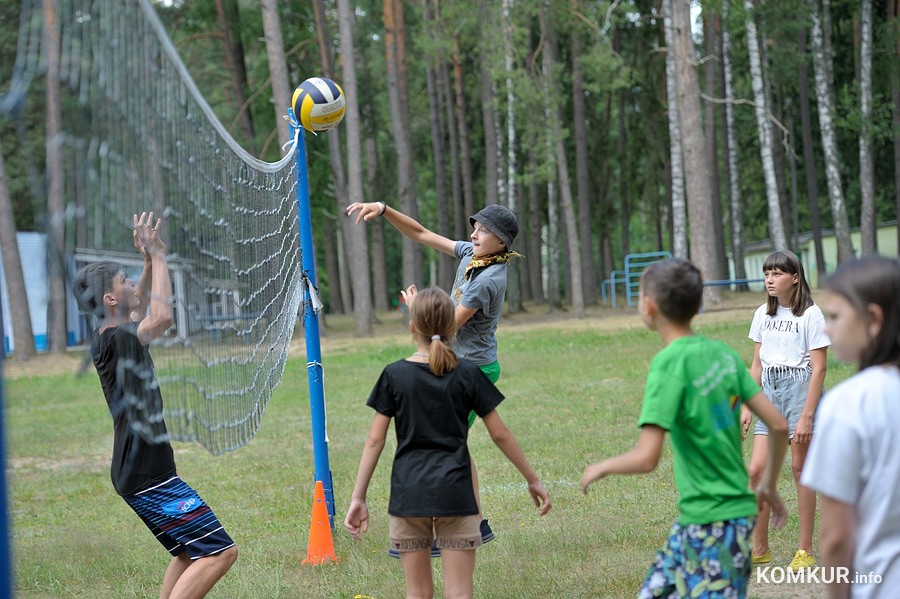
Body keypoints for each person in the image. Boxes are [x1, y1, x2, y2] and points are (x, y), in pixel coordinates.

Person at [581, 258, 789, 598]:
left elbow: (647, 458)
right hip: (707, 523)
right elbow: (778, 425)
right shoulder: (723, 354)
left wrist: (601, 467)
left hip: (714, 524)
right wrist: (767, 486)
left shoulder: (667, 363)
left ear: (648, 305)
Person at [344, 285, 551, 599]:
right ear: (452, 326)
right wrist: (532, 480)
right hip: (456, 495)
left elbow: (375, 441)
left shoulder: (394, 375)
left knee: (418, 594)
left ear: (412, 327)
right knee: (459, 593)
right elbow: (500, 434)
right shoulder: (468, 373)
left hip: (409, 497)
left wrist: (358, 498)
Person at [73, 212, 237, 599]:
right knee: (219, 552)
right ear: (111, 298)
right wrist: (160, 256)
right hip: (149, 477)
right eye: (124, 280)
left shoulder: (109, 334)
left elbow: (140, 305)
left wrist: (147, 261)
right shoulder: (121, 339)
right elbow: (161, 315)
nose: (133, 283)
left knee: (186, 552)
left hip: (140, 472)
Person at [347, 201, 520, 545]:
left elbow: (445, 327)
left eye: (483, 230)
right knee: (454, 443)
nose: (474, 234)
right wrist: (384, 210)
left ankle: (463, 526)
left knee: (449, 444)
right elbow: (421, 234)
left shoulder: (488, 279)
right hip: (457, 363)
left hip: (475, 369)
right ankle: (476, 523)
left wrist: (416, 309)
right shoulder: (473, 254)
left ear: (501, 243)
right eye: (475, 227)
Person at [800, 256, 900, 599]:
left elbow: (836, 535)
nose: (827, 328)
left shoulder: (848, 405)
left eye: (836, 316)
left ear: (873, 319)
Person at [742, 250, 829, 570]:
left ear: (795, 277)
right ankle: (759, 548)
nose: (769, 280)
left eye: (777, 274)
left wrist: (807, 415)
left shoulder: (811, 315)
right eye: (767, 274)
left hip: (800, 391)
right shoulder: (762, 314)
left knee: (799, 469)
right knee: (757, 471)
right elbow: (756, 363)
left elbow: (819, 369)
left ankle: (804, 549)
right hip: (769, 393)